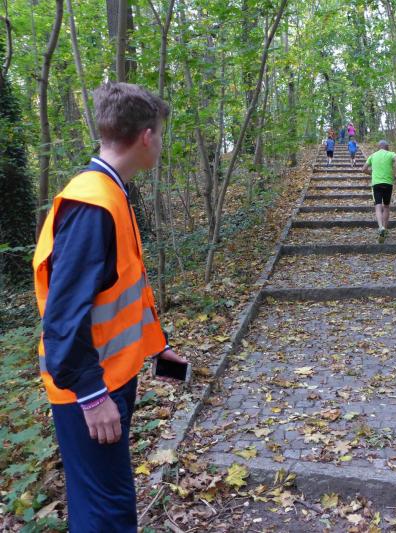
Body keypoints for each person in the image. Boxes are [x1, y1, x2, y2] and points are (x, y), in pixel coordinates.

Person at [32, 82, 187, 531]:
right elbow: (63, 315)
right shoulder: (93, 204)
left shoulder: (112, 192)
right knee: (107, 511)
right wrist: (92, 395)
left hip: (109, 376)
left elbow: (124, 288)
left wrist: (157, 348)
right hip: (90, 386)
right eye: (160, 134)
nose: (160, 143)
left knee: (105, 501)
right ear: (146, 136)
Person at [362, 140, 396, 243]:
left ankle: (380, 227)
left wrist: (372, 173)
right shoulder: (391, 154)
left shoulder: (373, 155)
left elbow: (364, 169)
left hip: (376, 184)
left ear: (378, 146)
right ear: (387, 146)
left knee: (378, 206)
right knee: (386, 207)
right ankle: (385, 229)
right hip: (388, 183)